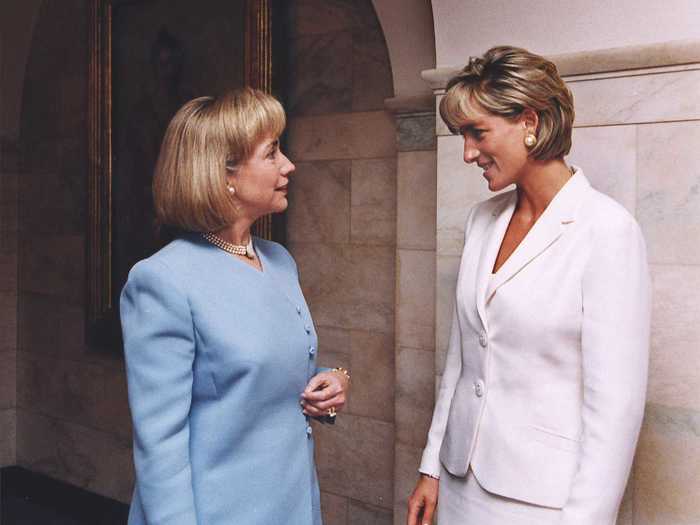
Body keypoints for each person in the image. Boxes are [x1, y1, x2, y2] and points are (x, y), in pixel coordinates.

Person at [407, 46, 650, 525]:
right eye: (462, 135)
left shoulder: (606, 230)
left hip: (542, 501)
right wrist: (431, 466)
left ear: (530, 122)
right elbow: (463, 356)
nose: (467, 153)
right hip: (460, 483)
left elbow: (615, 409)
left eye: (477, 133)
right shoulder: (483, 220)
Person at [120, 87, 350, 525]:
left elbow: (266, 376)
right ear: (224, 173)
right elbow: (159, 446)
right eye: (271, 153)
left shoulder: (279, 261)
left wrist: (332, 382)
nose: (288, 166)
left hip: (294, 504)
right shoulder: (162, 281)